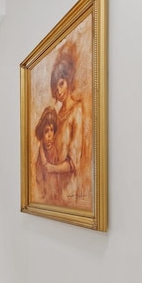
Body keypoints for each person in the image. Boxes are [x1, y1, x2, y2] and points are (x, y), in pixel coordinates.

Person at [44, 41, 90, 207]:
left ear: (68, 80)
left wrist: (52, 168)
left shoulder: (77, 111)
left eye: (61, 84)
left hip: (69, 192)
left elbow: (73, 162)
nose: (59, 91)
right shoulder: (56, 115)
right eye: (56, 88)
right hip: (54, 191)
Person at [34, 106, 61, 203]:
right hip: (45, 194)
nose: (50, 135)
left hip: (56, 193)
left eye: (52, 130)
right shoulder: (41, 154)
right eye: (46, 131)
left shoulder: (56, 149)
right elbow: (39, 175)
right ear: (42, 134)